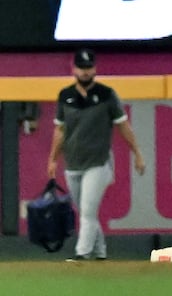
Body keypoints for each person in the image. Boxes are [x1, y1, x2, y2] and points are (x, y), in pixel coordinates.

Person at [47, 49, 146, 261]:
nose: (85, 72)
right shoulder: (65, 96)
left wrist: (137, 152)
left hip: (98, 163)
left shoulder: (107, 94)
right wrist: (53, 159)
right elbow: (60, 130)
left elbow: (123, 126)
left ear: (95, 69)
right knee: (85, 212)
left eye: (88, 67)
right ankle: (100, 252)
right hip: (72, 163)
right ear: (74, 69)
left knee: (88, 210)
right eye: (81, 68)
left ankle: (82, 254)